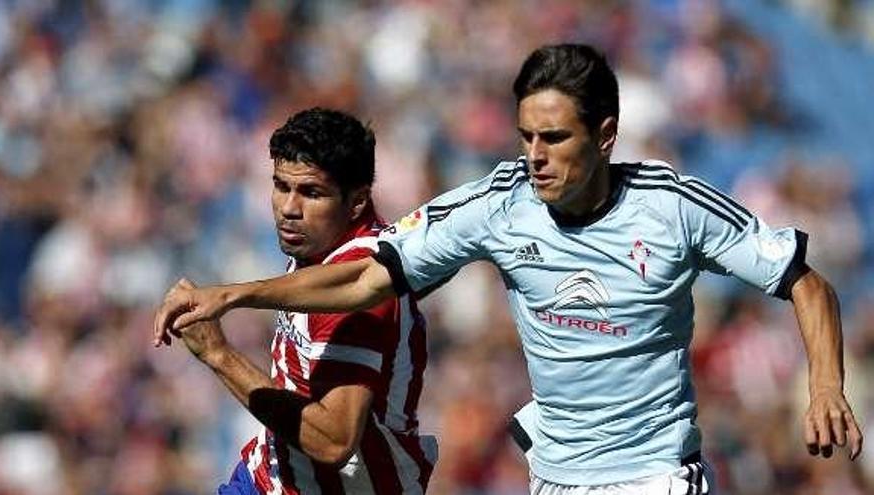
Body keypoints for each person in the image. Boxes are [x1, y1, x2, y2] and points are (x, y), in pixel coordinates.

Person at [154, 45, 863, 494]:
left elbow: (806, 281)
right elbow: (369, 273)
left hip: (655, 473)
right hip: (553, 476)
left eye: (555, 138)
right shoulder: (501, 204)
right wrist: (238, 293)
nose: (536, 155)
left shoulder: (672, 207)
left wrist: (825, 384)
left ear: (605, 135)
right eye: (526, 135)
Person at [162, 108, 437, 494]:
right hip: (269, 477)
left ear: (356, 202)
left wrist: (218, 354)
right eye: (281, 186)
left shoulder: (361, 288)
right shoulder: (320, 242)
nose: (289, 208)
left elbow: (334, 441)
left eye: (311, 192)